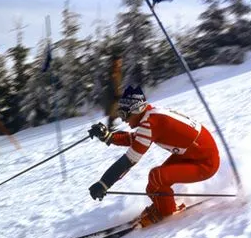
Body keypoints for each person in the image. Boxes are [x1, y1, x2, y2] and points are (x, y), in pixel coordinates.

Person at [88, 85, 220, 227]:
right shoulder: (151, 115)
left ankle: (166, 213)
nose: (124, 120)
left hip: (205, 163)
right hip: (192, 154)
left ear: (136, 109)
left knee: (157, 177)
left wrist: (104, 183)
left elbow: (128, 161)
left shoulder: (150, 124)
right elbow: (135, 139)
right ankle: (162, 206)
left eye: (124, 114)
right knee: (153, 188)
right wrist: (107, 136)